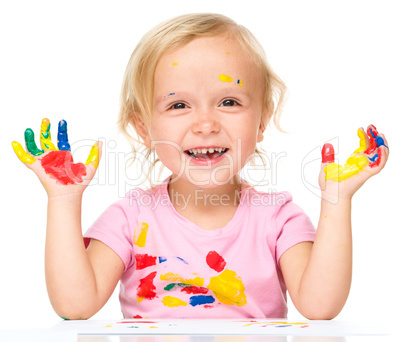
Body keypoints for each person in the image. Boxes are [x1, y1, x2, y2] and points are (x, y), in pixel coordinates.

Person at [11, 13, 388, 320]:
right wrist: (63, 200)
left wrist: (336, 201)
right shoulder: (130, 218)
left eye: (228, 101)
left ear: (261, 122)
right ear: (144, 128)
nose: (205, 123)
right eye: (178, 105)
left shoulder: (278, 218)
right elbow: (74, 306)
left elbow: (321, 307)